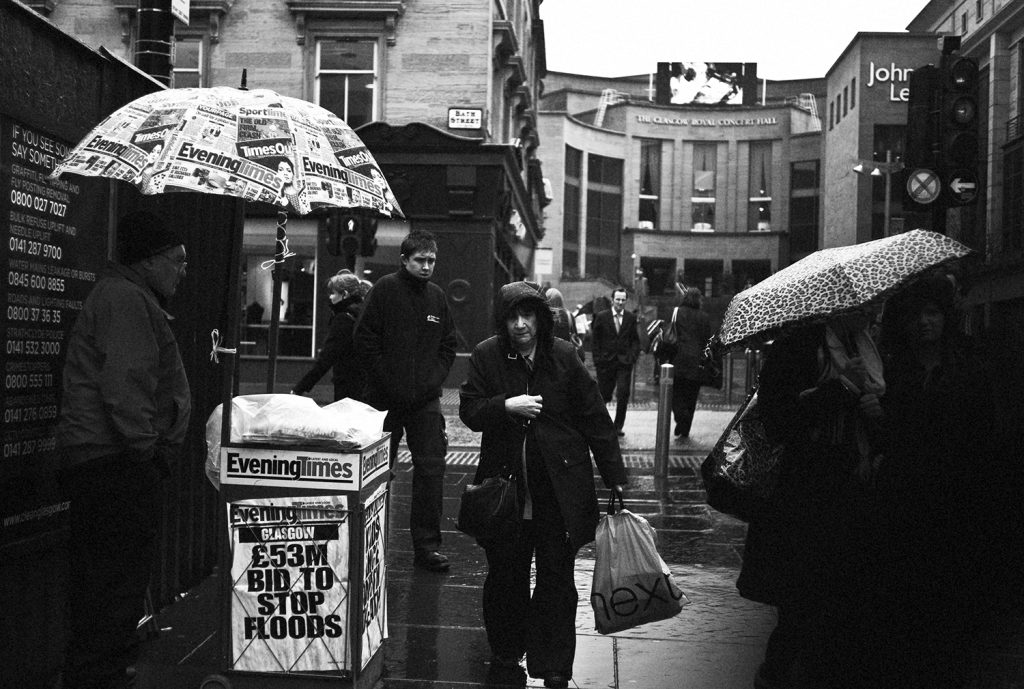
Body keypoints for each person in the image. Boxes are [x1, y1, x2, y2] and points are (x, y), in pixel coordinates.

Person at [459, 281, 628, 689]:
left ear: (540, 317)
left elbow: (595, 420)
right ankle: (506, 651)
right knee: (506, 576)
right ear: (503, 320)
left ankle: (554, 665)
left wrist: (615, 476)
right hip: (507, 492)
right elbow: (469, 409)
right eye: (513, 318)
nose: (520, 325)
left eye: (527, 316)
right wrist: (505, 405)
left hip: (558, 492)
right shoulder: (487, 355)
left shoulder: (564, 355)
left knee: (556, 579)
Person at [56, 210, 191, 689]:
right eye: (176, 261)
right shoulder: (126, 298)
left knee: (109, 582)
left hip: (110, 460)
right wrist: (147, 450)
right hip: (115, 463)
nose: (182, 270)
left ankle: (102, 670)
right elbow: (126, 384)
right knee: (113, 583)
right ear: (150, 260)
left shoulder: (128, 296)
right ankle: (98, 676)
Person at [735, 308, 885, 689]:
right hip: (804, 495)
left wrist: (877, 416)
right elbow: (777, 418)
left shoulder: (865, 346)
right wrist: (842, 389)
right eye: (865, 305)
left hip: (851, 487)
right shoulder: (798, 346)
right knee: (801, 604)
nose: (872, 310)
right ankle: (775, 674)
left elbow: (873, 415)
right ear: (841, 304)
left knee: (839, 603)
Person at [872, 275, 999, 688]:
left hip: (953, 500)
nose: (924, 322)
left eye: (932, 313)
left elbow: (982, 435)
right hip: (903, 499)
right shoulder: (892, 370)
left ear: (946, 317)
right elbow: (888, 436)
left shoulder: (968, 367)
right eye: (916, 314)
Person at [354, 229, 457, 572]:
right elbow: (365, 341)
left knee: (431, 470)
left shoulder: (437, 297)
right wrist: (387, 380)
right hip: (384, 399)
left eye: (432, 261)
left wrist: (433, 378)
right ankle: (370, 541)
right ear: (404, 260)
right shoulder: (385, 289)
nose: (427, 267)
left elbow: (447, 345)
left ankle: (427, 547)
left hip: (425, 400)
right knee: (377, 471)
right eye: (420, 260)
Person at [291, 270, 366, 401]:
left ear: (345, 294)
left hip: (347, 385)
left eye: (333, 293)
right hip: (365, 384)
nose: (330, 297)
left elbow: (326, 359)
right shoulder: (363, 312)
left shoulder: (343, 319)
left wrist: (300, 388)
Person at [590, 287, 641, 435]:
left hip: (624, 363)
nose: (620, 302)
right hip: (606, 363)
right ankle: (601, 423)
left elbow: (635, 341)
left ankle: (618, 426)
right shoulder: (601, 317)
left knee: (623, 393)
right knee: (604, 395)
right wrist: (598, 360)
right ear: (612, 300)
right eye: (617, 299)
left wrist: (632, 356)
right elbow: (595, 341)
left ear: (626, 301)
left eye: (623, 300)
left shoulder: (630, 318)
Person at [668, 287, 712, 440]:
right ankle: (685, 429)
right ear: (699, 299)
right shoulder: (704, 317)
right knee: (691, 398)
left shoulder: (677, 312)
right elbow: (708, 340)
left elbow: (671, 334)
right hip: (697, 362)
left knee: (676, 394)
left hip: (678, 359)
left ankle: (680, 418)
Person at [544, 287, 583, 361]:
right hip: (566, 357)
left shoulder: (543, 315)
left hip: (547, 357)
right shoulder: (569, 315)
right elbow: (575, 335)